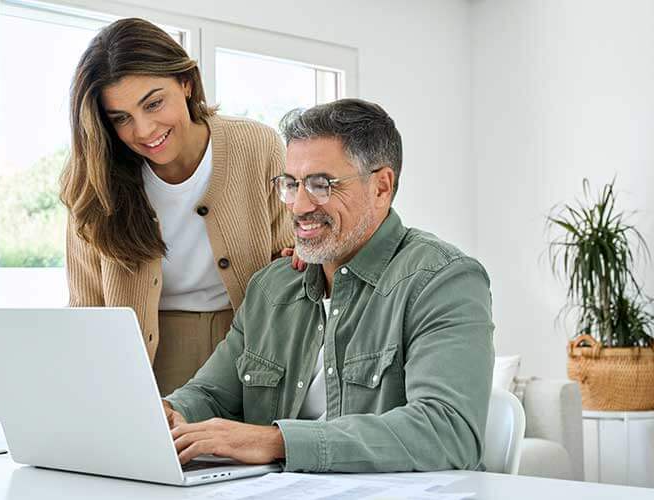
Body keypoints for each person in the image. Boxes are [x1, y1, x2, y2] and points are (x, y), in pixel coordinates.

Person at [163, 98, 496, 473]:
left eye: (321, 185)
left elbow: (448, 432)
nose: (299, 206)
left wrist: (276, 442)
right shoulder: (271, 289)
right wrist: (169, 413)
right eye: (290, 184)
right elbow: (211, 394)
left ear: (381, 187)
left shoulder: (443, 280)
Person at [60, 18, 294, 396]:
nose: (144, 130)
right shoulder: (93, 177)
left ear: (186, 83)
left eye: (153, 103)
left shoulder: (258, 145)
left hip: (250, 350)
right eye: (121, 118)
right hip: (145, 360)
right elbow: (86, 304)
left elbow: (288, 263)